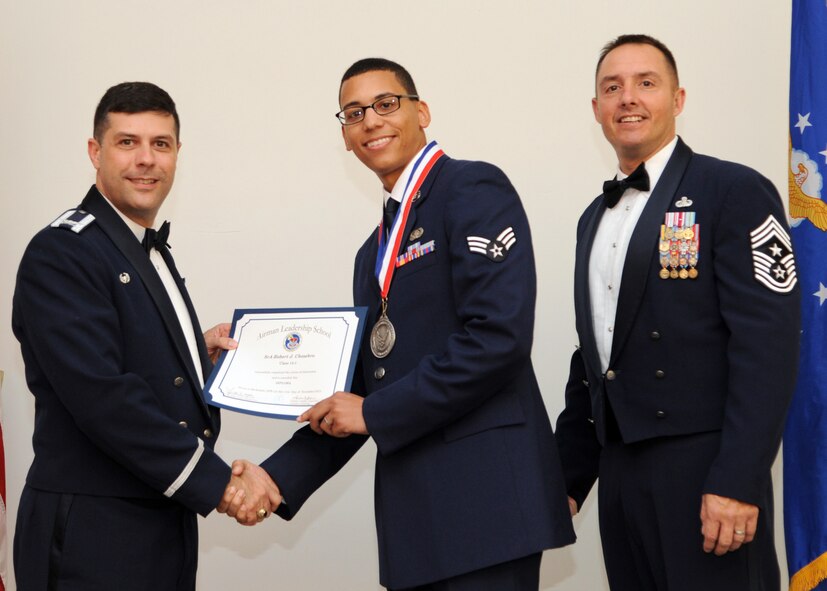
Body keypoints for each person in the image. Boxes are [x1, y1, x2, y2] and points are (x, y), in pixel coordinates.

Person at [229, 58, 575, 590]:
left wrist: (372, 409)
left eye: (386, 104)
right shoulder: (371, 253)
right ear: (345, 137)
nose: (371, 120)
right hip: (418, 524)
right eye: (353, 113)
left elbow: (496, 338)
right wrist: (275, 477)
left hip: (486, 509)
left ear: (422, 111)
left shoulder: (471, 188)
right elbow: (368, 390)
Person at [12, 81, 281, 590]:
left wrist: (190, 352)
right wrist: (219, 483)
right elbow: (102, 393)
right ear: (95, 152)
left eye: (161, 144)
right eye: (127, 142)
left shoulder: (140, 247)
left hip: (156, 516)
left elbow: (119, 347)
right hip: (93, 531)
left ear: (178, 154)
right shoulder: (62, 251)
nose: (146, 159)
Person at [554, 35, 800, 590]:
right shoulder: (592, 218)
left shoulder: (734, 191)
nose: (628, 99)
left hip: (706, 472)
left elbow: (769, 348)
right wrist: (566, 479)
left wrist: (738, 480)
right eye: (611, 88)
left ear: (678, 98)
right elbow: (592, 357)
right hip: (619, 473)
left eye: (646, 83)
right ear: (596, 109)